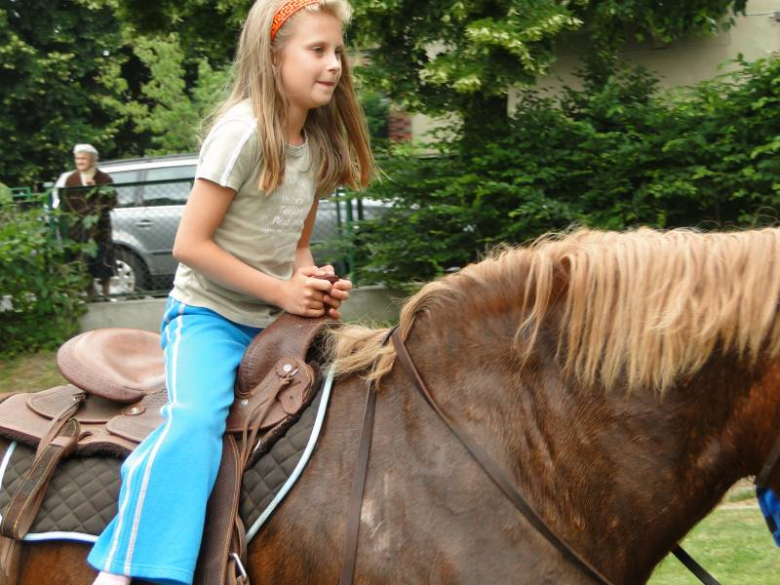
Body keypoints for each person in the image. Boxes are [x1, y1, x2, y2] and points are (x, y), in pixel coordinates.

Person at [87, 0, 373, 583]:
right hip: (208, 316)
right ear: (273, 57)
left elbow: (295, 246)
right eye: (317, 50)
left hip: (272, 321)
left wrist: (310, 287)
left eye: (337, 50)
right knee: (195, 420)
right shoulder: (241, 133)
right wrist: (281, 291)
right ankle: (126, 566)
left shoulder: (316, 146)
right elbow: (191, 245)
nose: (334, 64)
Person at [62, 144, 116, 298]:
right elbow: (67, 203)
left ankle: (106, 293)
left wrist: (96, 190)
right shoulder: (71, 179)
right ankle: (90, 294)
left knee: (103, 260)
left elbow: (111, 202)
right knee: (83, 261)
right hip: (78, 230)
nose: (79, 162)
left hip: (100, 230)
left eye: (83, 158)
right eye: (77, 158)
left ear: (92, 160)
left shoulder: (104, 179)